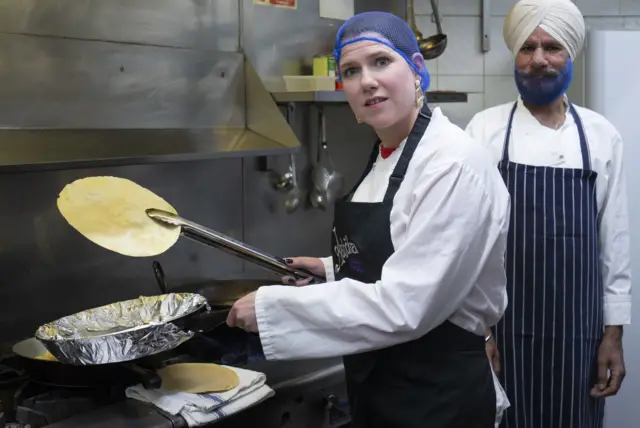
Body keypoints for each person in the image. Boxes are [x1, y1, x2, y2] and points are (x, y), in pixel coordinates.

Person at [226, 11, 511, 427]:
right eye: (351, 71)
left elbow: (406, 305)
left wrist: (274, 309)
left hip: (437, 396)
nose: (367, 81)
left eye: (381, 61)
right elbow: (405, 248)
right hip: (383, 388)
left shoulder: (451, 164)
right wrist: (330, 269)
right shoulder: (386, 153)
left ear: (416, 69)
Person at [465, 1, 631, 427]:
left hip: (580, 337)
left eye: (552, 47)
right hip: (503, 335)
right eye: (527, 47)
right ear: (515, 55)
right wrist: (478, 331)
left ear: (570, 55)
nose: (538, 59)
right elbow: (467, 243)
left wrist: (614, 334)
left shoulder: (600, 136)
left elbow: (613, 242)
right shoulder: (483, 131)